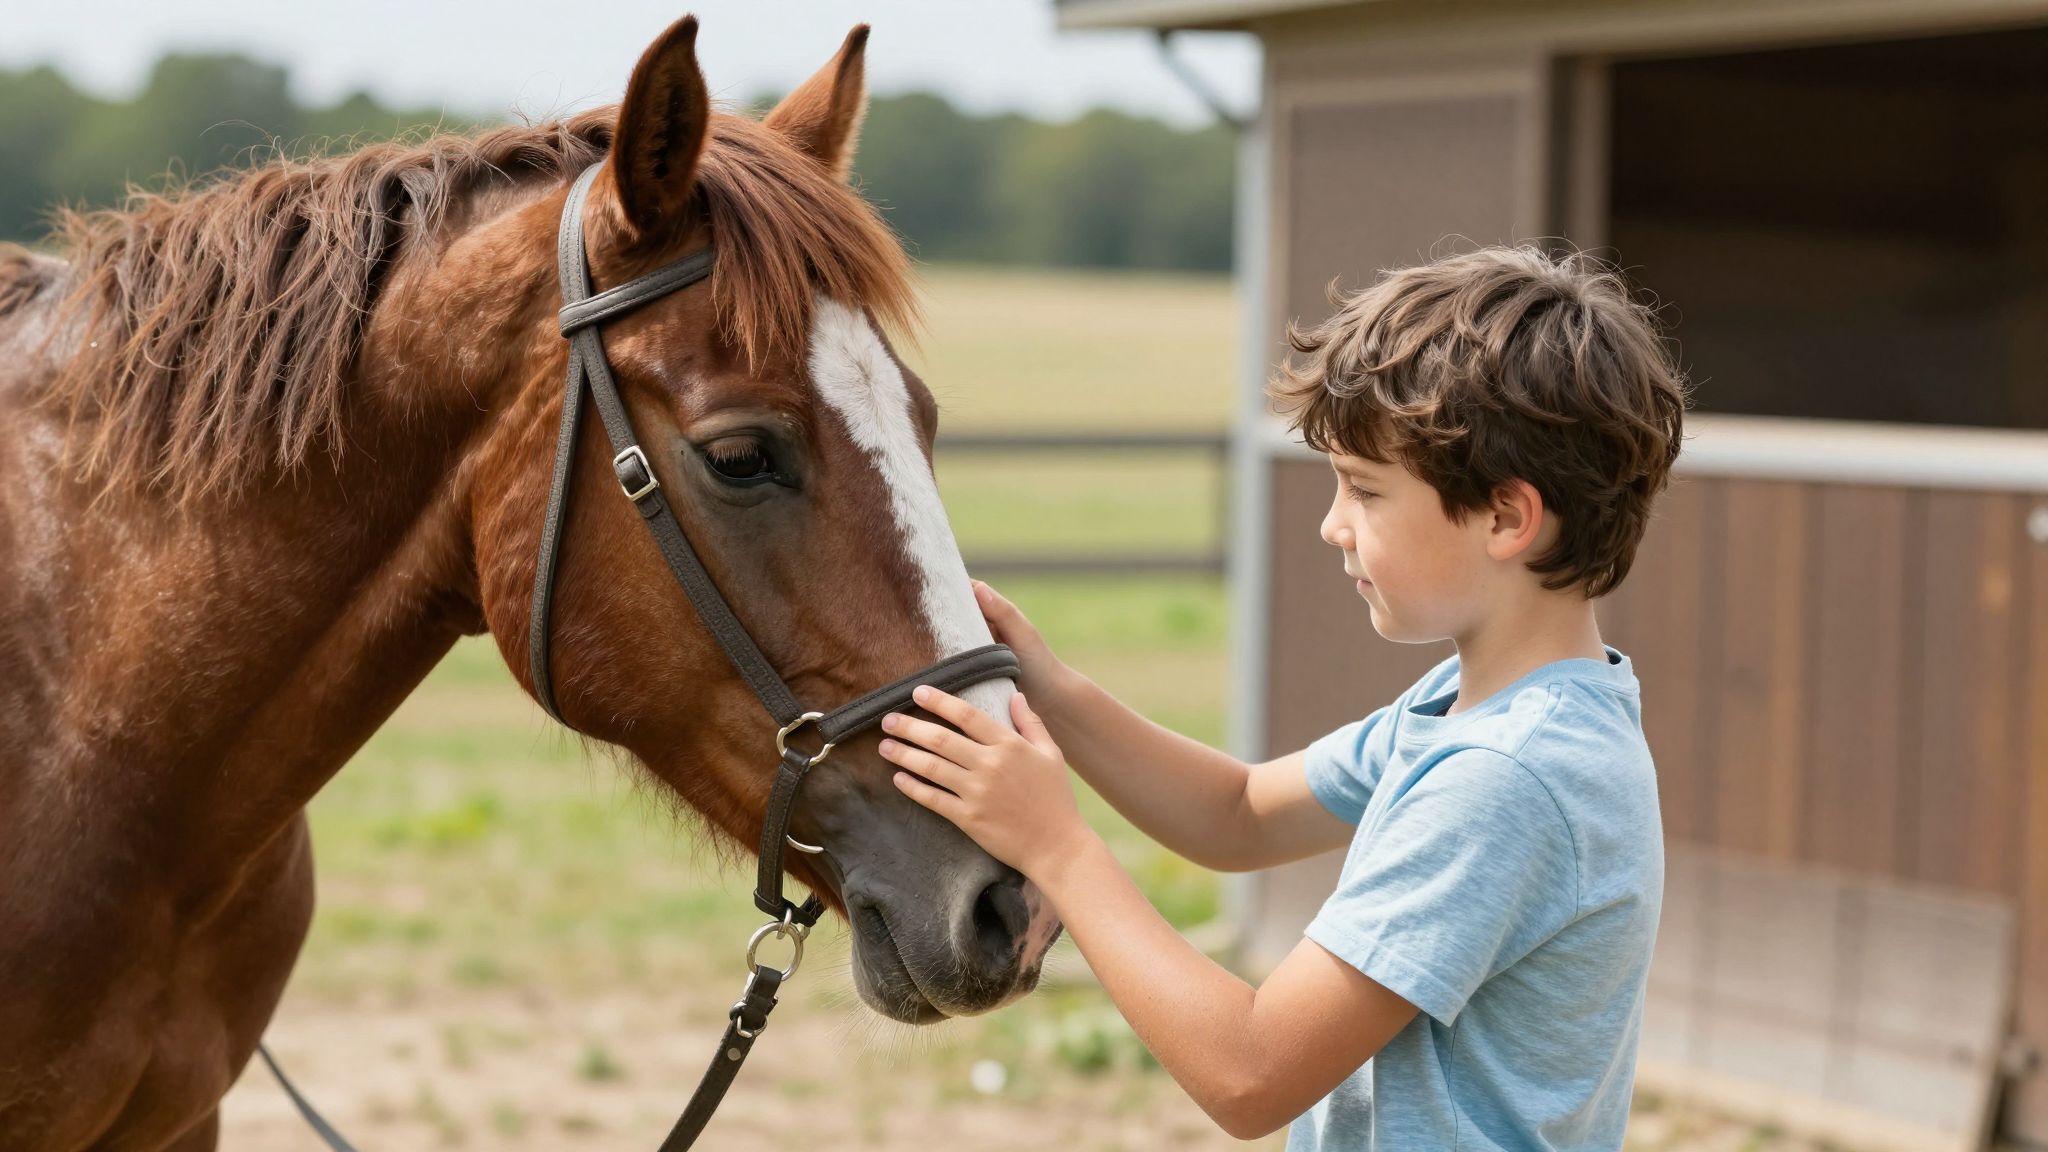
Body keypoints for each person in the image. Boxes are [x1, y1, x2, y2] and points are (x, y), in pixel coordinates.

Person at [879, 244, 1687, 1149]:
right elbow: (1240, 813)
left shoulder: (1505, 780)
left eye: (1365, 491)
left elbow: (1250, 1073)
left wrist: (1058, 849)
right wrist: (1051, 688)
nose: (1331, 525)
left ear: (1506, 516)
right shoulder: (1481, 709)